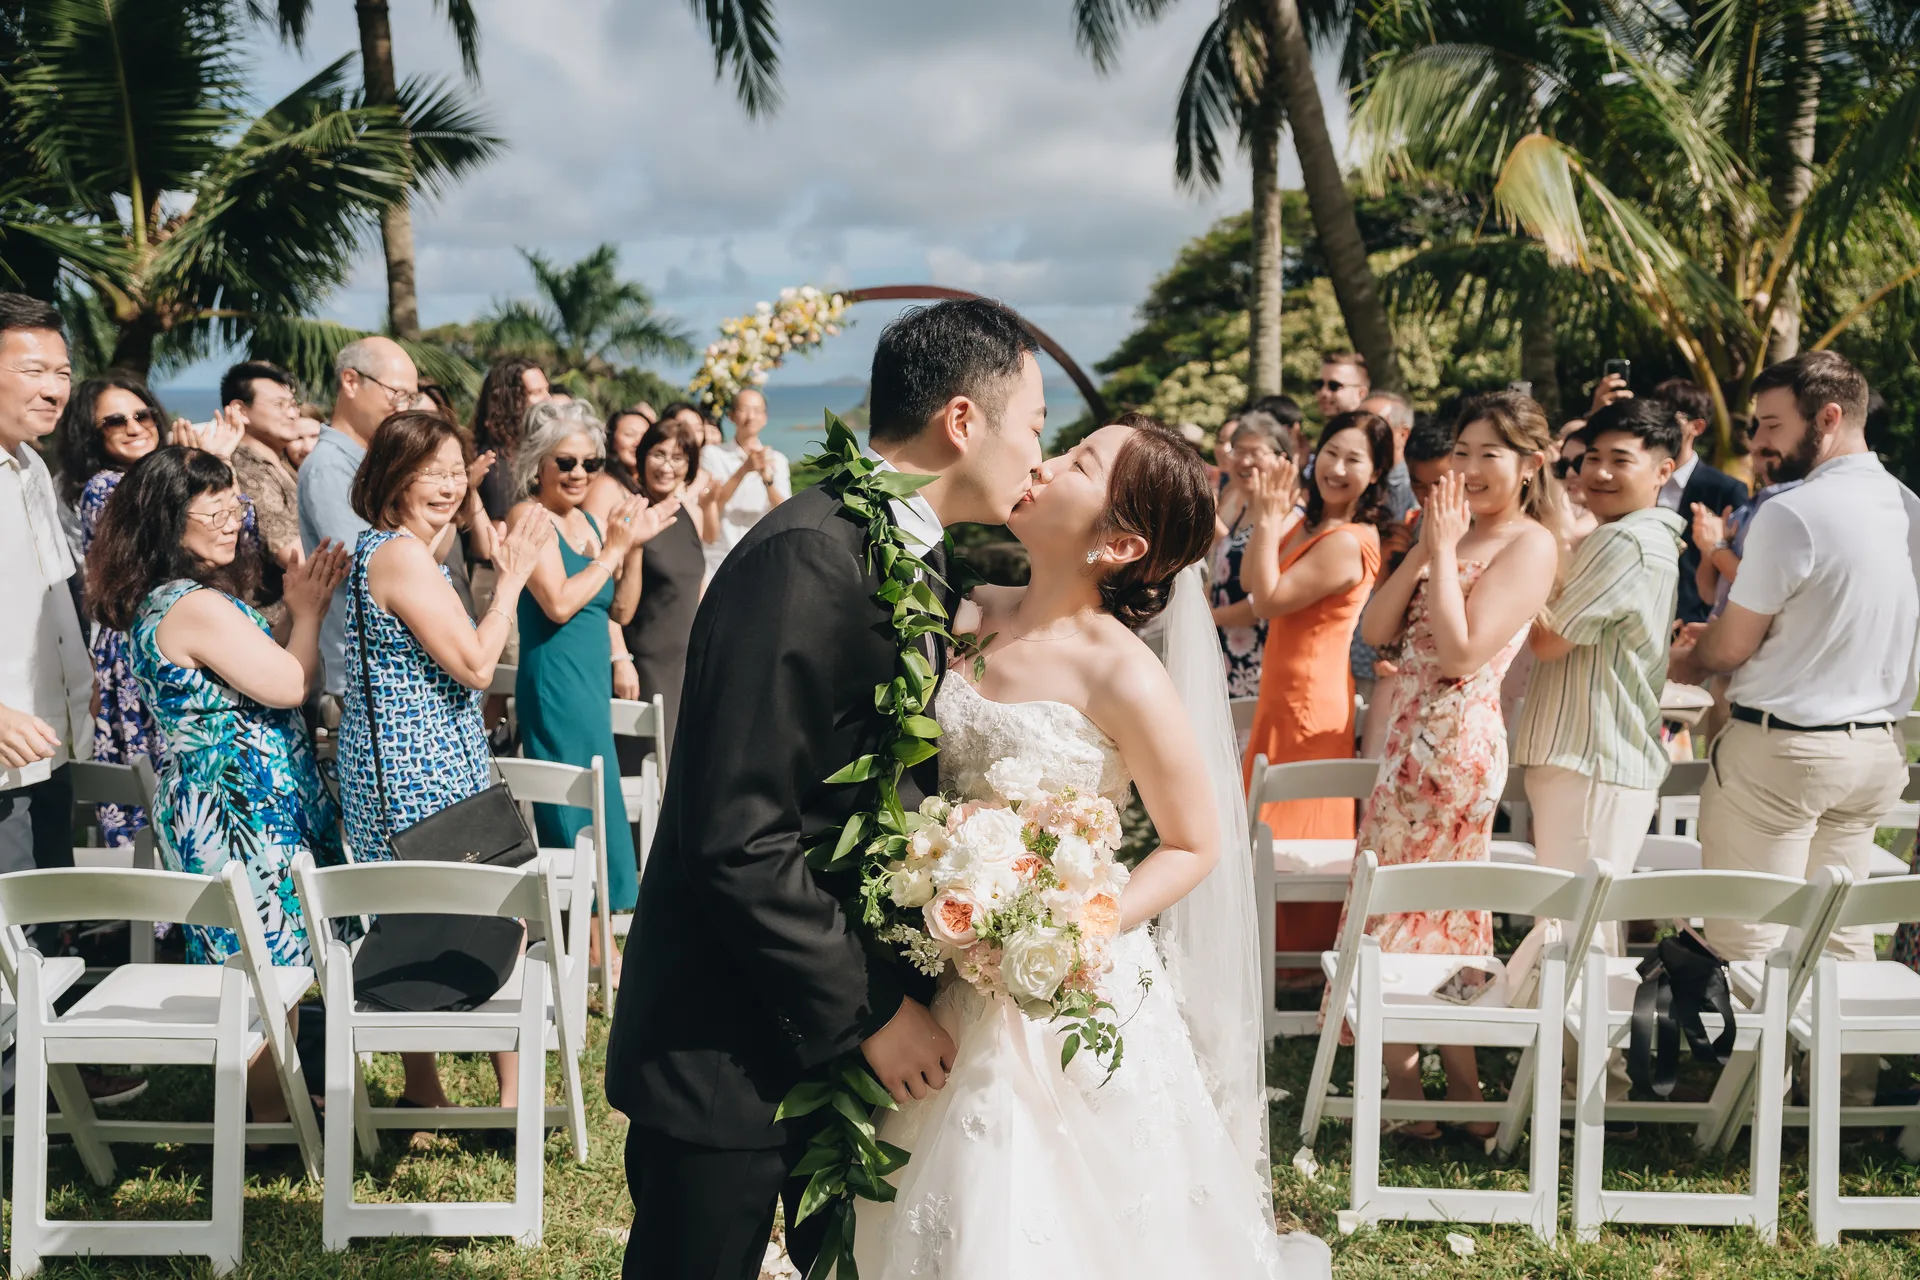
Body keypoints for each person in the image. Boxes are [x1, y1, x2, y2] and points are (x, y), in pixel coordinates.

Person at [606, 298, 1043, 1280]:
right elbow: (739, 831)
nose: (1039, 456)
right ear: (963, 420)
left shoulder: (908, 558)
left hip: (816, 1044)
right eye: (1035, 425)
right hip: (728, 1039)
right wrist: (872, 1010)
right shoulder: (811, 554)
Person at [853, 414, 1329, 1278]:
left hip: (1067, 984)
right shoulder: (967, 612)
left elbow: (1193, 842)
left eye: (1078, 462)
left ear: (1119, 542)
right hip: (947, 960)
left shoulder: (1121, 671)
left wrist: (1076, 927)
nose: (1043, 462)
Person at [1675, 350, 1920, 1111]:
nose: (1760, 442)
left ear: (1830, 417)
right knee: (1839, 930)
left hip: (1782, 751)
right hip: (1874, 749)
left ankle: (1758, 1109)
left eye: (1773, 425)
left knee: (1749, 935)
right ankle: (1844, 1101)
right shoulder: (1909, 506)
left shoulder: (1792, 512)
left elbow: (1733, 645)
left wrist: (1687, 656)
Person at [1341, 389, 1559, 1138]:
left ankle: (1430, 1094)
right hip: (1404, 733)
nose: (1467, 468)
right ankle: (1442, 1094)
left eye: (1487, 455)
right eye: (1460, 453)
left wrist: (1439, 552)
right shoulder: (1450, 533)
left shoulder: (1529, 544)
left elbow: (1465, 654)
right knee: (1399, 905)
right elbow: (1375, 632)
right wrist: (1424, 551)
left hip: (1459, 739)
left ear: (1529, 464)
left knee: (1426, 909)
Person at [338, 409, 548, 1112]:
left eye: (457, 471)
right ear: (392, 478)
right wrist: (512, 576)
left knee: (410, 923)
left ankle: (424, 1091)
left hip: (399, 767)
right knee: (494, 914)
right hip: (419, 773)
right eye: (430, 473)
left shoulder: (385, 549)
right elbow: (476, 665)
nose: (449, 485)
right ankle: (512, 1097)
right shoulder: (399, 555)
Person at [1515, 399, 1685, 1102]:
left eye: (1623, 459)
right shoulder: (1642, 536)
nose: (1602, 472)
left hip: (1590, 752)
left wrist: (1511, 575)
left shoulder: (1625, 542)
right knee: (1586, 924)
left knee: (1574, 926)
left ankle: (1585, 1083)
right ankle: (1584, 1077)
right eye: (1593, 458)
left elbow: (1550, 637)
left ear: (1664, 468)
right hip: (1594, 752)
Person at [510, 398, 679, 962]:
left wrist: (630, 550)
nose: (579, 473)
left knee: (599, 801)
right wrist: (612, 549)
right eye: (566, 462)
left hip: (588, 682)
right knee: (570, 808)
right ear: (539, 464)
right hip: (554, 681)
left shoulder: (585, 521)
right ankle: (593, 950)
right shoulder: (527, 517)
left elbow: (620, 611)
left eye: (589, 462)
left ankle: (601, 937)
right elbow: (557, 603)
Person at [1240, 412, 1389, 990]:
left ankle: (1300, 965)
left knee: (1298, 827)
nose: (1338, 467)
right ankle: (1271, 954)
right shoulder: (1311, 527)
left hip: (1311, 697)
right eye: (1332, 452)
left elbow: (1267, 599)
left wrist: (1269, 519)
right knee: (1269, 821)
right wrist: (1272, 522)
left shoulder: (1349, 541)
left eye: (1356, 459)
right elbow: (1261, 588)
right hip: (1284, 690)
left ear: (1376, 476)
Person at [56, 376, 192, 851]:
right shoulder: (105, 487)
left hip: (176, 643)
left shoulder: (162, 479)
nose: (134, 427)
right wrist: (198, 468)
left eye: (142, 414)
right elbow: (173, 552)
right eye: (115, 420)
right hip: (136, 655)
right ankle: (161, 919)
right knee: (153, 802)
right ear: (93, 436)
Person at [299, 336, 420, 701]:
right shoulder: (330, 466)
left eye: (411, 399)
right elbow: (370, 565)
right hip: (367, 674)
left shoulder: (365, 463)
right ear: (351, 382)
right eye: (397, 394)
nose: (404, 408)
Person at [589, 416, 708, 748]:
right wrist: (620, 659)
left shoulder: (690, 514)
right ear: (642, 458)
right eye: (658, 454)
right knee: (651, 766)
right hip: (644, 663)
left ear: (690, 465)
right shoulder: (626, 514)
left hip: (686, 660)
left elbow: (696, 589)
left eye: (678, 457)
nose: (667, 466)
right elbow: (607, 600)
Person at [1361, 414, 1454, 758]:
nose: (1429, 496)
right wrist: (1391, 562)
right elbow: (1381, 631)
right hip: (1397, 682)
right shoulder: (1411, 525)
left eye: (1439, 484)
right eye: (1419, 486)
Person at [1651, 377, 1748, 625]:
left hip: (1689, 624)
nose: (1659, 424)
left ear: (1697, 427)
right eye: (1655, 412)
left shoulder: (1724, 490)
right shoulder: (1638, 479)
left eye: (1670, 416)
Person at [1209, 411, 1288, 700]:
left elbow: (1259, 603)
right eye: (1238, 451)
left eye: (1255, 453)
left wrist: (1208, 618)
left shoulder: (1286, 514)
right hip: (1224, 653)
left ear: (1282, 457)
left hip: (1256, 662)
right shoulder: (1244, 507)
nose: (1244, 461)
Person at [222, 361, 305, 576]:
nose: (293, 414)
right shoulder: (244, 469)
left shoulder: (285, 461)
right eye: (279, 405)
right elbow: (294, 557)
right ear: (241, 410)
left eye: (293, 405)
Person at [700, 386, 790, 577]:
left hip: (761, 557)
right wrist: (743, 470)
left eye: (757, 411)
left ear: (765, 418)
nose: (751, 416)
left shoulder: (778, 460)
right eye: (743, 410)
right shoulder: (713, 454)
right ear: (731, 416)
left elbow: (784, 511)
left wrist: (768, 480)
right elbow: (712, 504)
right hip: (719, 556)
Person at [470, 357, 552, 523]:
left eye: (547, 390)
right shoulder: (496, 462)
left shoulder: (528, 452)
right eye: (536, 393)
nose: (548, 400)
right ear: (511, 402)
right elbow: (498, 533)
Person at [1315, 351, 1369, 421]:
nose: (1323, 392)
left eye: (1334, 386)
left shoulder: (1369, 430)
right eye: (1319, 384)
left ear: (1361, 393)